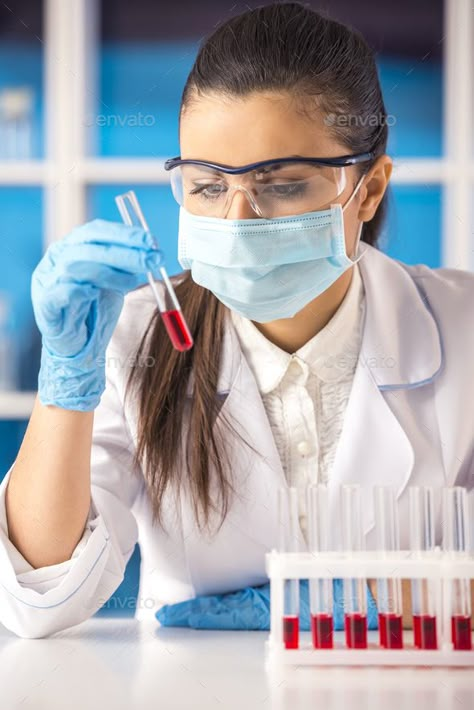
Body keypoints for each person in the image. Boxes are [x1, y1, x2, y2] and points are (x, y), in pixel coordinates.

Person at [0, 2, 473, 640]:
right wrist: (64, 385)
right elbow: (40, 598)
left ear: (369, 189)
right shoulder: (137, 337)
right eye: (208, 186)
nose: (238, 222)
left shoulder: (461, 326)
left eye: (282, 184)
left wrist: (368, 608)